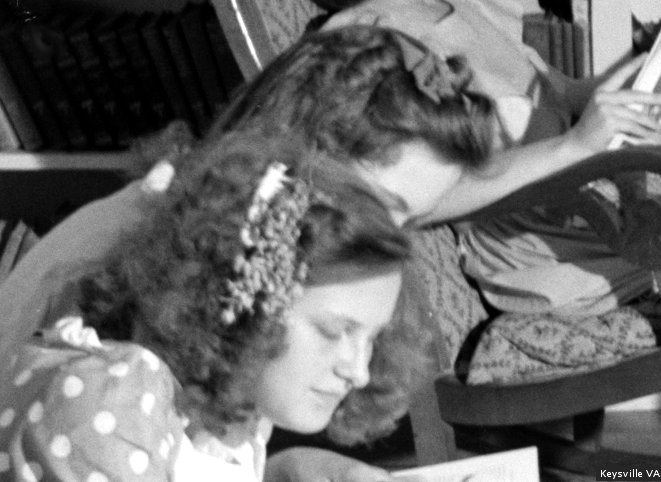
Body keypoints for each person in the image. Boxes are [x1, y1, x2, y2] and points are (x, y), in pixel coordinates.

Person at [0, 25, 494, 481]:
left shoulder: (244, 290)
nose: (388, 240)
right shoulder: (125, 313)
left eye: (413, 223)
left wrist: (284, 470)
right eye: (383, 206)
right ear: (303, 155)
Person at [301, 0, 661, 323]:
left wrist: (651, 70)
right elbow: (408, 200)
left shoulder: (463, 2)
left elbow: (561, 95)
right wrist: (574, 145)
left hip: (600, 219)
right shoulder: (366, 48)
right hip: (549, 263)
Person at [0, 130, 432, 481]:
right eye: (334, 331)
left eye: (373, 339)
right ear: (242, 303)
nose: (358, 372)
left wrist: (283, 473)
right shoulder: (109, 401)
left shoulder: (231, 419)